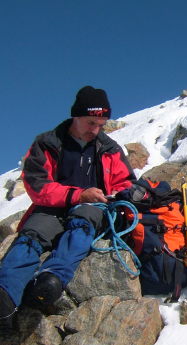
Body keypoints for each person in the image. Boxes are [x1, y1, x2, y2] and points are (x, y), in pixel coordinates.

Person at [0, 86, 135, 332]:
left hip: (91, 208)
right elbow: (37, 185)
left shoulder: (110, 149)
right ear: (76, 116)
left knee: (84, 220)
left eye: (101, 124)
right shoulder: (47, 143)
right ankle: (5, 298)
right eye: (90, 122)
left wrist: (117, 195)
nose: (95, 130)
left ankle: (51, 280)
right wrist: (77, 194)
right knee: (33, 234)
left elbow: (125, 183)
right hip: (51, 207)